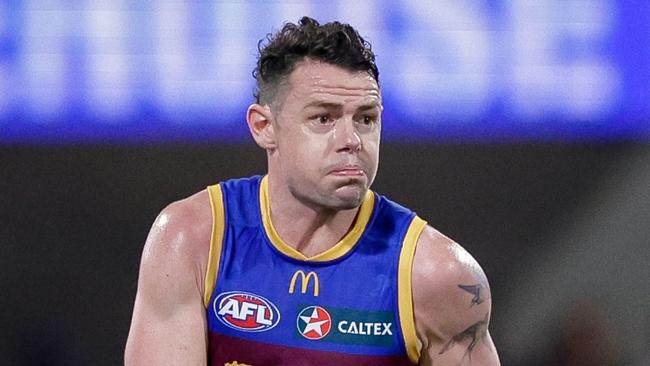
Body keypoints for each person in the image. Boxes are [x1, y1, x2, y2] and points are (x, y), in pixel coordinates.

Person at [125, 16, 500, 366]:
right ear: (264, 127)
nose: (352, 140)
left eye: (366, 119)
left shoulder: (437, 276)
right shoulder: (192, 240)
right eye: (324, 118)